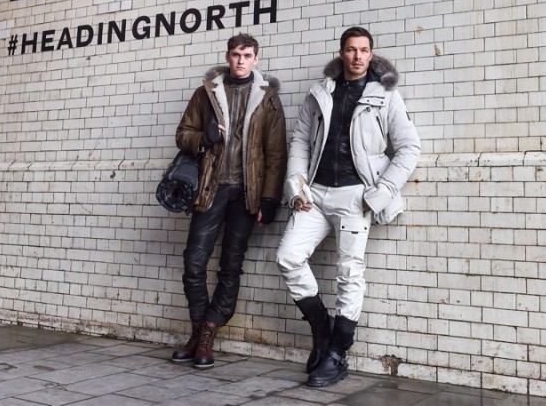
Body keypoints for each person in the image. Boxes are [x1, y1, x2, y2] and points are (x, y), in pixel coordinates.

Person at [275, 26, 420, 387]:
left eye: (364, 50)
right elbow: (299, 141)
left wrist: (382, 191)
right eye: (351, 50)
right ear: (341, 53)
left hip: (356, 196)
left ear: (372, 54)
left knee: (349, 274)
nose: (357, 56)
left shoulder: (386, 95)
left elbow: (408, 148)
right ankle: (322, 331)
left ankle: (338, 354)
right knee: (288, 257)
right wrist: (296, 185)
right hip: (315, 194)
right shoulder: (320, 92)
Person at [171, 33, 287, 369]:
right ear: (228, 56)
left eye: (247, 55)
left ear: (256, 59)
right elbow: (182, 133)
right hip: (211, 188)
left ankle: (208, 332)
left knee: (230, 266)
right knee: (194, 261)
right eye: (236, 54)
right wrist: (202, 138)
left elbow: (276, 152)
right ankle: (197, 328)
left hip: (246, 194)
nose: (240, 60)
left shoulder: (268, 99)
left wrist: (270, 197)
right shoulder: (206, 93)